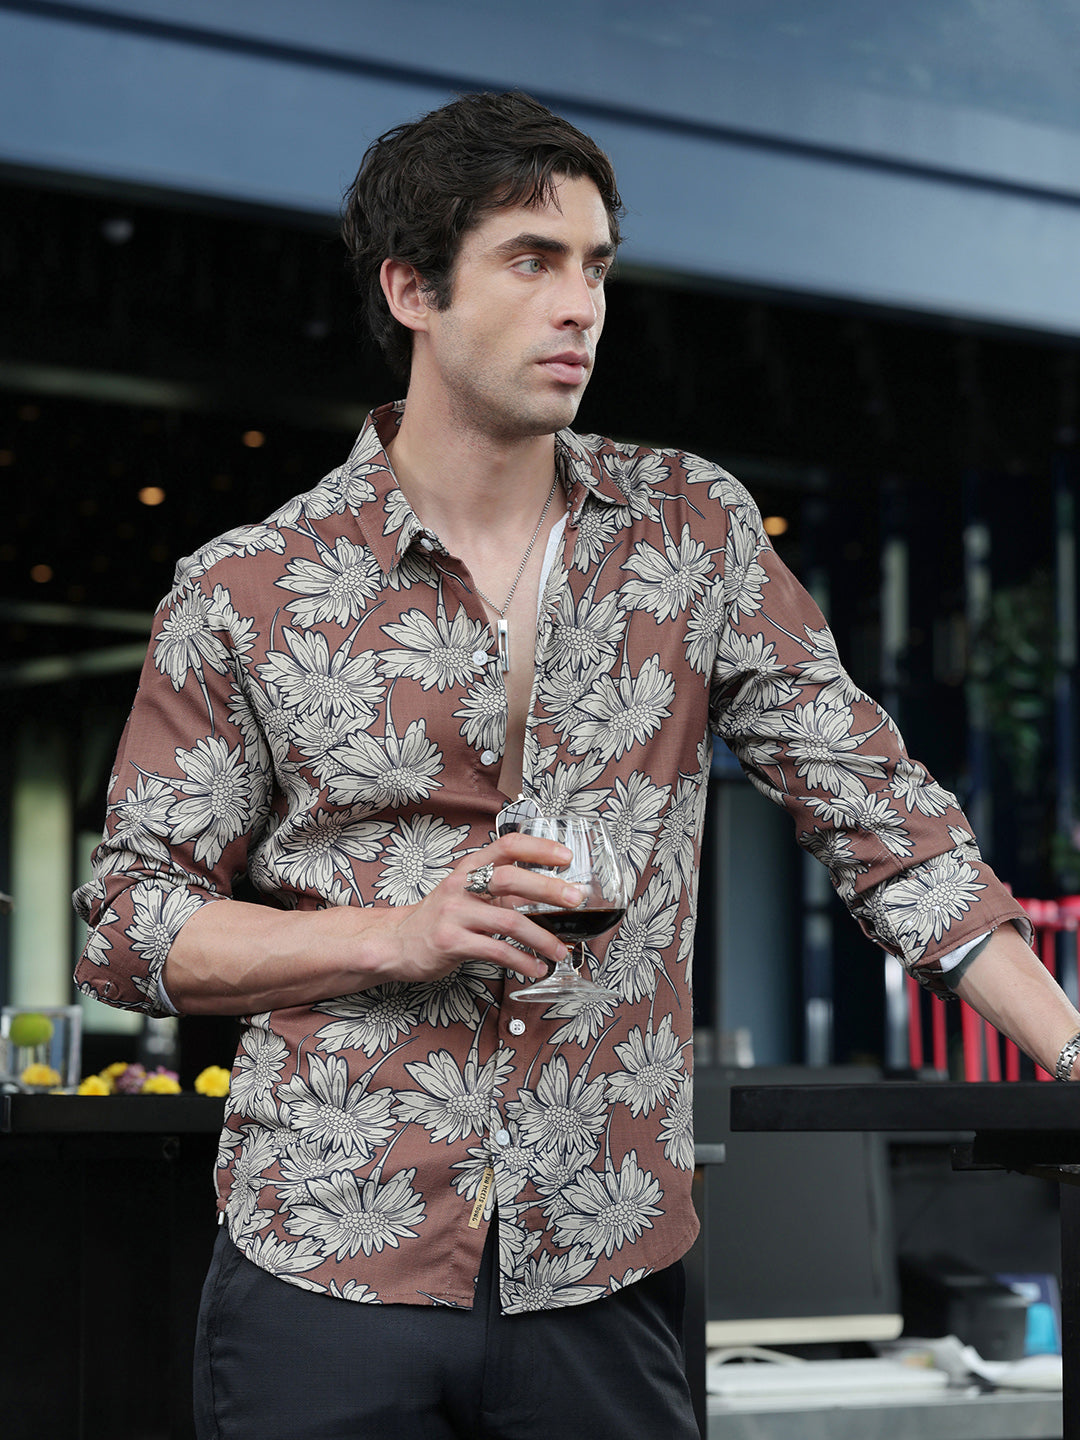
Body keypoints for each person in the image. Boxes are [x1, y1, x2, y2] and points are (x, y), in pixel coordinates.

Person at [74, 91, 1080, 1439]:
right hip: (325, 1253)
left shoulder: (692, 531)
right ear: (412, 290)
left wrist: (1069, 1042)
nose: (580, 308)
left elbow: (877, 812)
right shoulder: (246, 589)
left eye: (596, 267)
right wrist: (397, 934)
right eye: (532, 261)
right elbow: (131, 929)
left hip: (605, 1261)